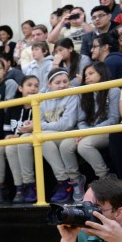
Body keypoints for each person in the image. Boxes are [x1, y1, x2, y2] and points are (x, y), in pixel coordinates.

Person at [59, 62, 119, 188]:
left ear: (102, 73)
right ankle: (76, 180)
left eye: (91, 73)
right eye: (85, 75)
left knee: (84, 145)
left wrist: (89, 132)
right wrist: (85, 131)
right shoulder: (84, 92)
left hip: (109, 130)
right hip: (88, 131)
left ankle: (105, 177)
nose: (87, 77)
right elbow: (81, 120)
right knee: (65, 145)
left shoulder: (113, 90)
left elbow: (113, 119)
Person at [40, 68, 81, 203]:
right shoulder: (42, 98)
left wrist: (42, 127)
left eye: (65, 81)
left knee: (49, 139)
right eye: (57, 83)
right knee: (42, 140)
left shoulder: (72, 93)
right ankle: (63, 180)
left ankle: (75, 180)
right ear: (49, 85)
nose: (62, 85)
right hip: (53, 135)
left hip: (71, 132)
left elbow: (67, 124)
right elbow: (38, 121)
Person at [0, 75, 40, 203]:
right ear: (20, 88)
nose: (33, 88)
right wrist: (9, 136)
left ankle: (29, 184)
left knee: (21, 142)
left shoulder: (40, 104)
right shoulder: (13, 105)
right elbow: (6, 129)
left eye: (36, 86)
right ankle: (19, 187)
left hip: (33, 141)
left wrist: (19, 136)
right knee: (10, 146)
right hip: (17, 141)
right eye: (29, 85)